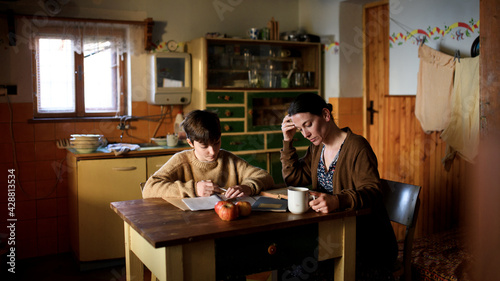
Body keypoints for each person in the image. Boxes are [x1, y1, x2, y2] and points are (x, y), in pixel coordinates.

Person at [280, 93, 398, 280]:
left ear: (326, 115)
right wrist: (287, 141)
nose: (305, 134)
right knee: (286, 260)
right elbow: (294, 179)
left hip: (364, 241)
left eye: (308, 124)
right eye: (300, 129)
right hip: (331, 234)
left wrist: (337, 201)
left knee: (299, 272)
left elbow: (374, 191)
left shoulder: (357, 147)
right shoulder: (317, 147)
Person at [142, 109, 274, 199]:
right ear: (190, 143)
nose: (212, 152)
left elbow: (265, 177)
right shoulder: (181, 161)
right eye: (204, 146)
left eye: (216, 142)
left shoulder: (229, 160)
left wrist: (248, 187)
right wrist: (194, 189)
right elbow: (149, 189)